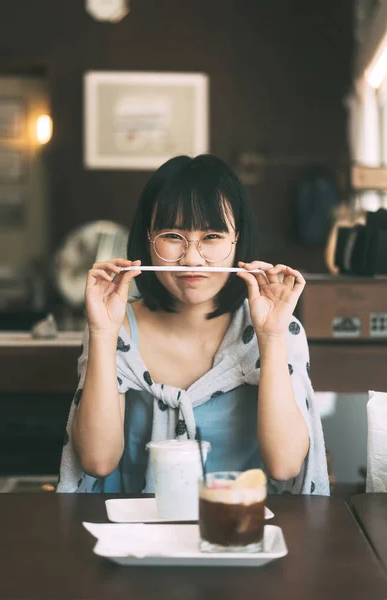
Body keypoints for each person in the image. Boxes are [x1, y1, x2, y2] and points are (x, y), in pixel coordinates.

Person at [57, 154, 329, 495]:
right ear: (149, 239)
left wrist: (271, 336)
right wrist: (101, 332)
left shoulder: (278, 327)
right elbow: (97, 461)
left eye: (212, 236)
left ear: (237, 241)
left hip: (240, 529)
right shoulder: (116, 324)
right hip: (137, 532)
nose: (192, 259)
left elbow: (286, 465)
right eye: (173, 235)